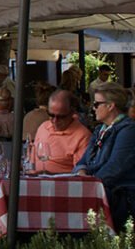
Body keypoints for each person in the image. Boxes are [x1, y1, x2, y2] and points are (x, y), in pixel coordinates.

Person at [76, 82, 135, 226]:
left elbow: (115, 168)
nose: (92, 108)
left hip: (121, 199)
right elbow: (82, 162)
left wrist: (88, 184)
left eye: (96, 104)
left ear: (110, 106)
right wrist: (81, 172)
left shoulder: (128, 131)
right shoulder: (101, 130)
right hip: (100, 192)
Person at [31, 89, 91, 174]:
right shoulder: (43, 127)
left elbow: (80, 172)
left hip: (62, 184)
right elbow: (31, 160)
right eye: (51, 115)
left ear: (72, 112)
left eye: (61, 117)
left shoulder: (82, 135)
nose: (55, 121)